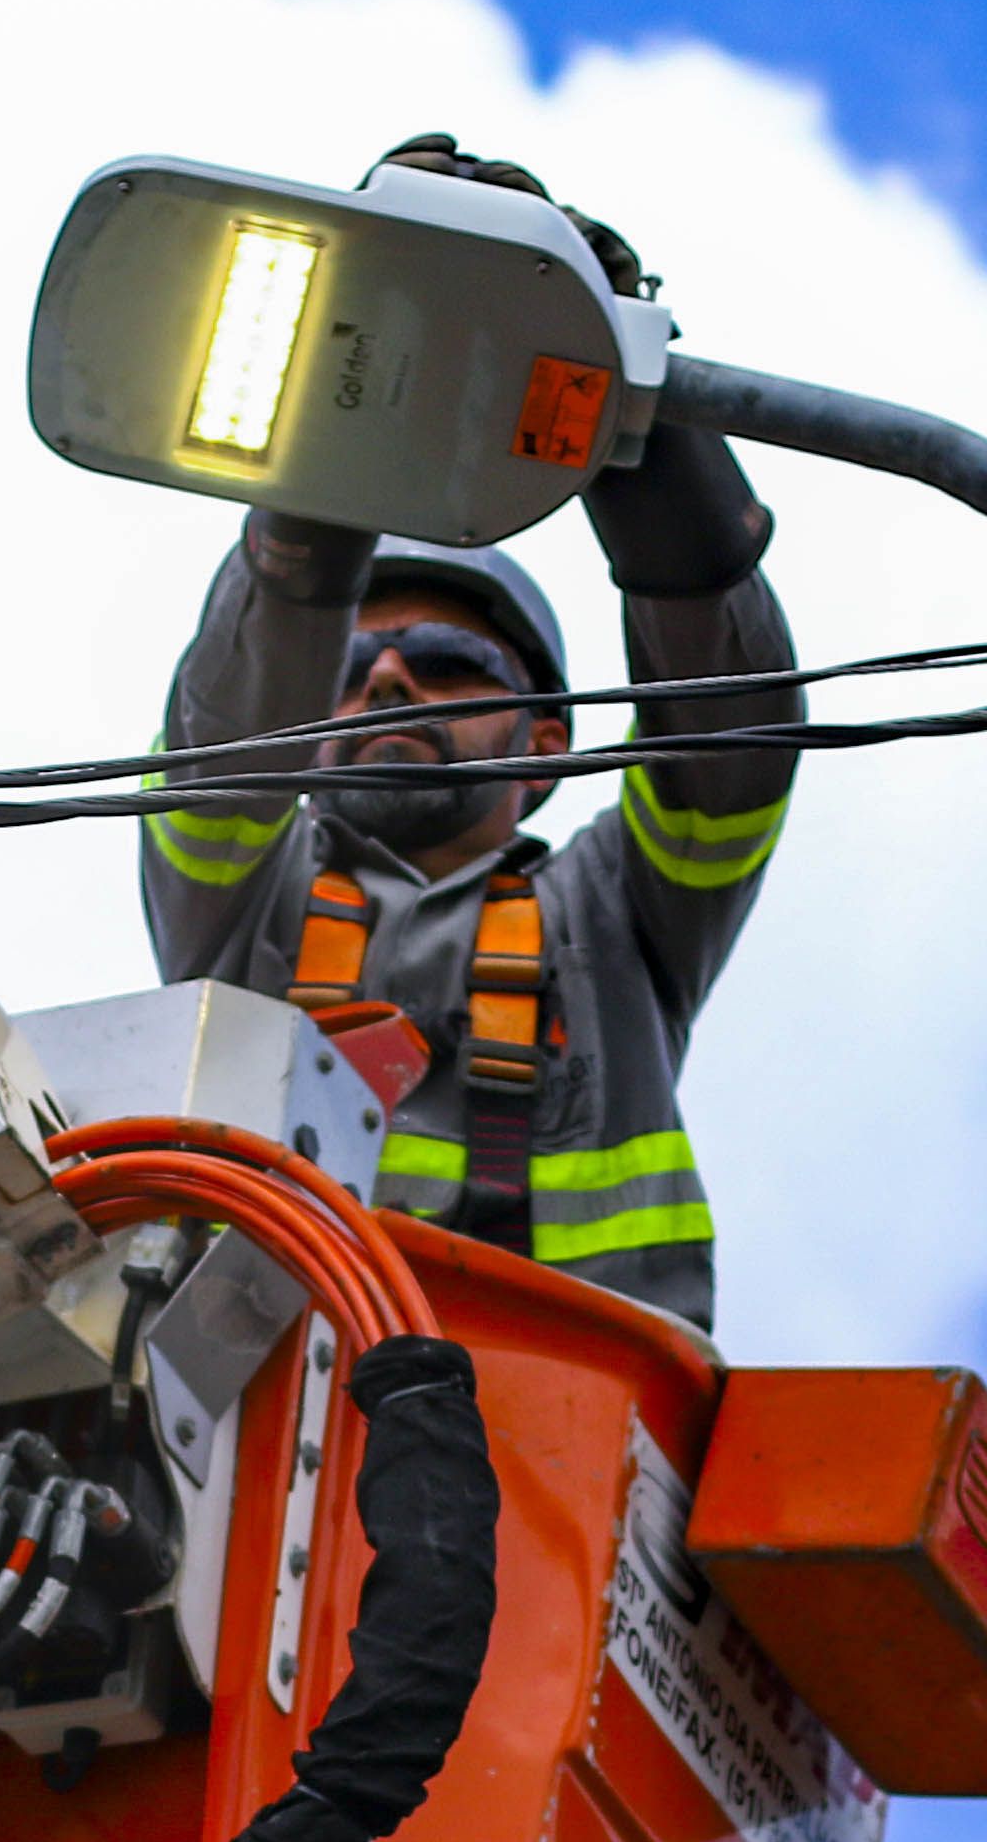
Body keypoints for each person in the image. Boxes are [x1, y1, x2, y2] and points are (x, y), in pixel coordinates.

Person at [136, 141, 806, 1335]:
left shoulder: (619, 915)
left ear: (548, 740)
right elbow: (227, 729)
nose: (389, 679)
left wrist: (618, 383)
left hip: (574, 1458)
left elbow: (730, 727)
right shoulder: (239, 900)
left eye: (447, 665)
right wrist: (343, 417)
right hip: (249, 1452)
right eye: (351, 666)